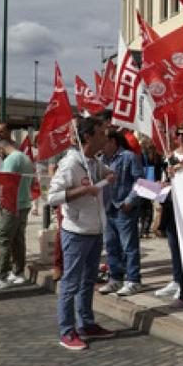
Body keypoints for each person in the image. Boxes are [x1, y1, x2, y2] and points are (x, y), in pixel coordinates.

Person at [48, 116, 117, 351]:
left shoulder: (94, 161)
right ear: (87, 136)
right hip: (76, 232)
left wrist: (109, 176)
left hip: (95, 230)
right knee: (71, 283)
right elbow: (52, 197)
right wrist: (83, 190)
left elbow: (106, 175)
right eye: (101, 133)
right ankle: (67, 331)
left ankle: (86, 323)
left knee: (88, 281)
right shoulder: (70, 164)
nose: (106, 138)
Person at [96, 129, 145, 297]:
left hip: (124, 208)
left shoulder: (129, 157)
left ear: (113, 142)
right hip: (107, 208)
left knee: (129, 247)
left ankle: (133, 280)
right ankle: (115, 278)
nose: (101, 144)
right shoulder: (101, 160)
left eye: (104, 140)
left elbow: (140, 181)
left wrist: (130, 201)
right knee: (111, 246)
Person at [0, 139, 35, 290]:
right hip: (24, 203)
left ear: (0, 149)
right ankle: (18, 272)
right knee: (18, 239)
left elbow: (5, 184)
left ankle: (1, 276)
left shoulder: (11, 159)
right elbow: (32, 183)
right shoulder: (25, 158)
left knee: (2, 239)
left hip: (11, 206)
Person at [155, 123, 183, 301]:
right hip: (172, 206)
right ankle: (178, 280)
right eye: (179, 135)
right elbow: (165, 181)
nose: (182, 139)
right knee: (174, 247)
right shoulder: (170, 156)